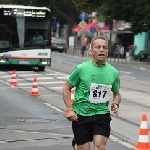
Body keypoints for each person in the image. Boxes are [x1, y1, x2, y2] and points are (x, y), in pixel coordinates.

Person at [63, 36, 121, 150]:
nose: (101, 50)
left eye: (104, 47)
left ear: (107, 52)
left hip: (101, 114)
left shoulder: (113, 72)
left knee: (100, 146)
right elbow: (66, 88)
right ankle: (76, 145)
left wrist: (116, 103)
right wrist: (69, 109)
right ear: (91, 51)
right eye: (98, 47)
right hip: (82, 114)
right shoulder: (81, 68)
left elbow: (117, 93)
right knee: (84, 148)